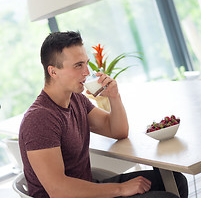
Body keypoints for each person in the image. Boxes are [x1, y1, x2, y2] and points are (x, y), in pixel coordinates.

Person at [19, 31, 188, 198]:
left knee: (174, 180)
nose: (87, 71)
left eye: (86, 63)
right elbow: (58, 191)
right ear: (53, 72)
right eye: (78, 65)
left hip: (88, 188)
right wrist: (121, 189)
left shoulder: (76, 99)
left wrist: (114, 96)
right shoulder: (40, 119)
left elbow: (117, 131)